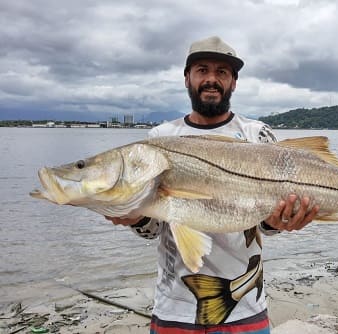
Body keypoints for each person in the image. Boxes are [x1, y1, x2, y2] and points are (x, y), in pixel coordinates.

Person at [106, 36, 319, 334]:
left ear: (234, 82)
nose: (211, 79)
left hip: (245, 307)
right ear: (186, 78)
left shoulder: (256, 135)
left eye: (222, 72)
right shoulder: (160, 137)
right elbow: (153, 228)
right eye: (202, 70)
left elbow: (264, 225)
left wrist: (280, 221)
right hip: (174, 307)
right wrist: (135, 217)